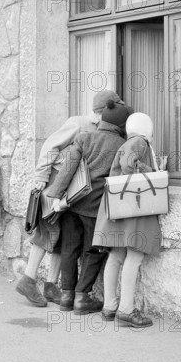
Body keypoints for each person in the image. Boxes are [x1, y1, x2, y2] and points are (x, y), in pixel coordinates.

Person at [16, 90, 125, 307]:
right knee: (48, 233)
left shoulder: (100, 130)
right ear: (103, 111)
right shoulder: (79, 123)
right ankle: (28, 279)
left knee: (62, 238)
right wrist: (41, 175)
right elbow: (50, 146)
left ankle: (50, 285)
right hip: (57, 187)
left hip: (72, 195)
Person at [46, 100, 133, 314]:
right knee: (94, 251)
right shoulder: (121, 145)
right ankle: (82, 298)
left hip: (72, 204)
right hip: (97, 208)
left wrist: (56, 196)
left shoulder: (84, 137)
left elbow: (67, 170)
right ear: (121, 126)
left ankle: (66, 296)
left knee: (69, 248)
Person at [93, 113, 161, 327]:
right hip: (134, 207)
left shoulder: (127, 142)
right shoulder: (139, 142)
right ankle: (126, 309)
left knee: (116, 256)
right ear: (147, 129)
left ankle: (110, 306)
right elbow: (129, 164)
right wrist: (155, 172)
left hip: (119, 207)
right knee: (135, 255)